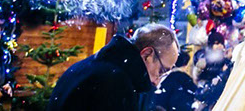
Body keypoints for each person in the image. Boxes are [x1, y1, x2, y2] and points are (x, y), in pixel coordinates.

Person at [47, 23, 179, 111]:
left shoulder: (85, 67)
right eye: (161, 71)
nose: (157, 82)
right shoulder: (116, 83)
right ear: (146, 54)